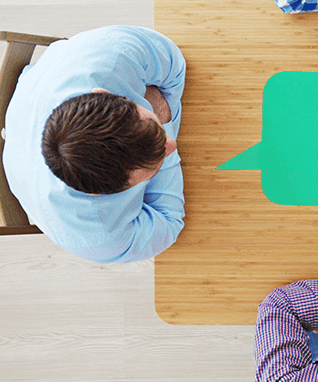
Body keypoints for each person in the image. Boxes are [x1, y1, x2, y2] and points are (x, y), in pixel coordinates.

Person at [3, 26, 186, 263]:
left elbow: (174, 67)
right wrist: (159, 113)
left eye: (147, 119)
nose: (172, 144)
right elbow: (169, 224)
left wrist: (156, 152)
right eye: (155, 163)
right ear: (96, 194)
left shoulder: (113, 50)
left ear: (104, 92)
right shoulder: (98, 238)